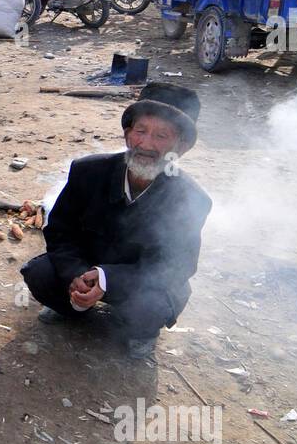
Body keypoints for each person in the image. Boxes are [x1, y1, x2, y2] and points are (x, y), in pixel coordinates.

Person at [20, 83, 210, 360]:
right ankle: (73, 306)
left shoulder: (191, 199)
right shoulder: (88, 171)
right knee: (41, 274)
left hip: (136, 286)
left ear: (179, 147)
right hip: (83, 271)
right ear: (127, 134)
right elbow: (60, 230)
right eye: (140, 131)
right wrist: (77, 274)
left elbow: (176, 267)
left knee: (153, 304)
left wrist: (108, 279)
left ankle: (139, 330)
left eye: (161, 135)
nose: (146, 144)